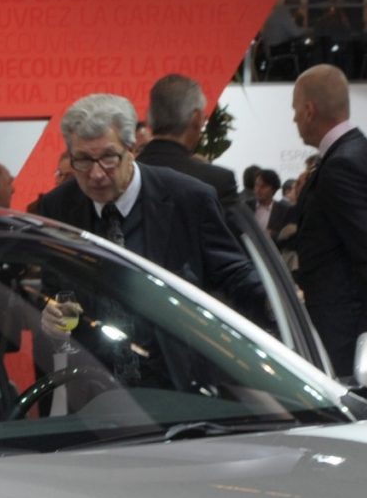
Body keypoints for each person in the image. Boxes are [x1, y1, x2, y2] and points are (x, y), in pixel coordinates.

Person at [28, 92, 270, 330]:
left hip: (173, 359)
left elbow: (230, 272)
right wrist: (55, 317)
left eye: (109, 158)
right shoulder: (58, 205)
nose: (96, 174)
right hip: (96, 363)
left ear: (132, 149)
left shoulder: (188, 199)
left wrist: (271, 301)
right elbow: (59, 288)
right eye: (83, 160)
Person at [289, 64, 367, 373]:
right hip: (347, 324)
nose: (294, 119)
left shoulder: (341, 165)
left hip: (342, 334)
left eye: (295, 110)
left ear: (309, 110)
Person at [138, 73, 242, 201]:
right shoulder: (216, 182)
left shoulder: (125, 176)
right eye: (204, 118)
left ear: (149, 119)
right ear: (197, 118)